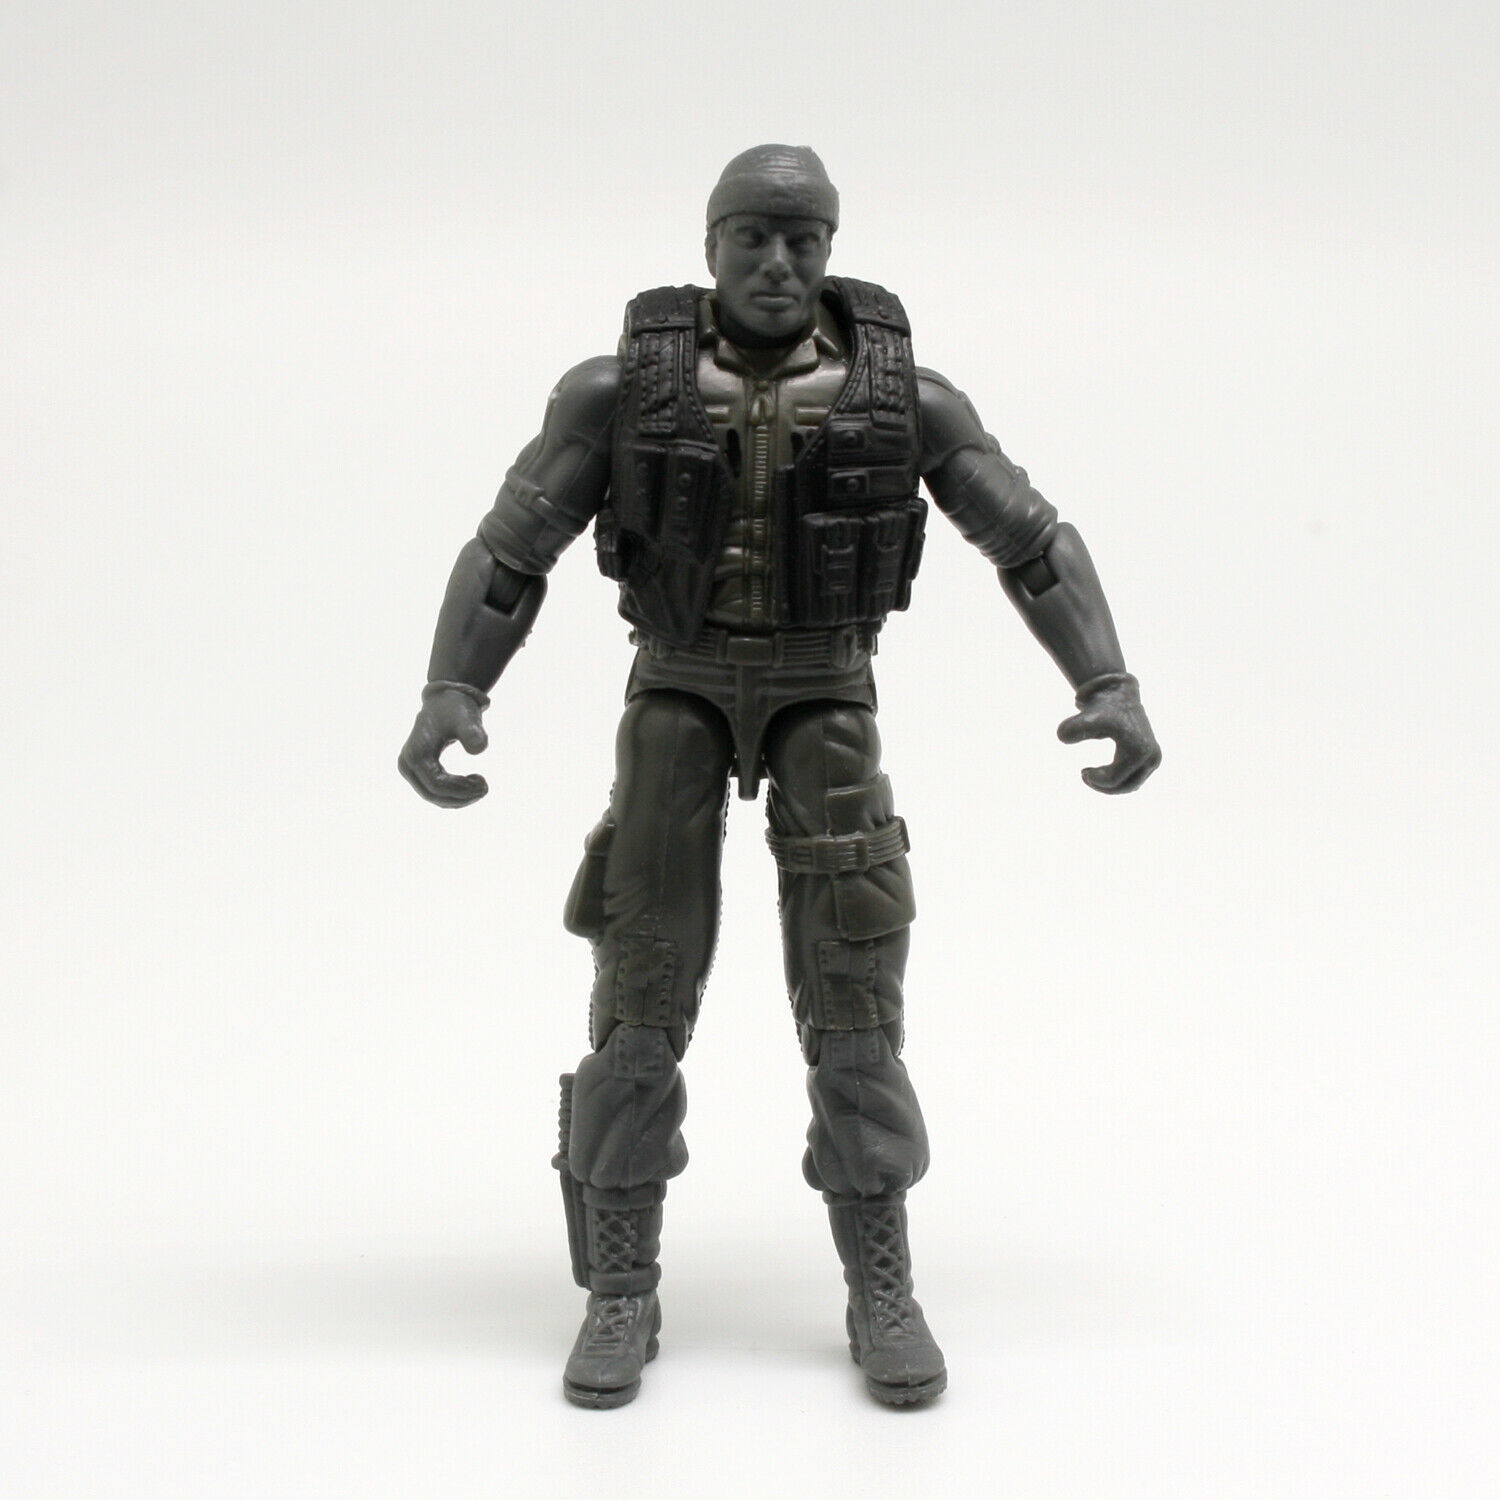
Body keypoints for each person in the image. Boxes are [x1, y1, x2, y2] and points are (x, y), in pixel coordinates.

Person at [399, 145, 1160, 1408]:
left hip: (825, 694)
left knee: (854, 1000)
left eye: (803, 240)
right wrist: (452, 690)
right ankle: (622, 1286)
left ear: (832, 249)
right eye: (751, 236)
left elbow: (1031, 543)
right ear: (709, 246)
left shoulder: (901, 398)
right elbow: (509, 554)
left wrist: (1107, 680)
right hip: (678, 691)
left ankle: (880, 1285)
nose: (777, 262)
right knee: (642, 991)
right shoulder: (619, 393)